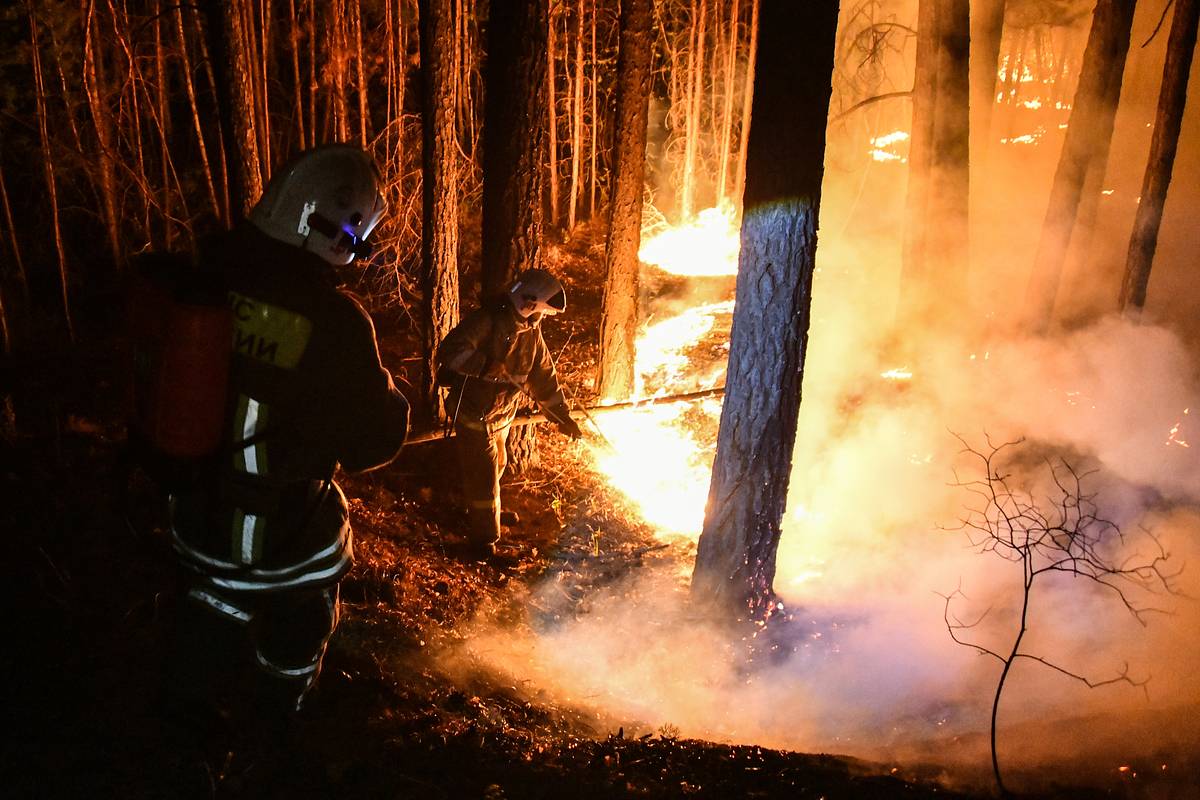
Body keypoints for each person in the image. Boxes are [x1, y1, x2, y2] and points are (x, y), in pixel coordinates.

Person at [164, 144, 409, 728]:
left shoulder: (205, 277)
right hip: (289, 543)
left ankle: (188, 713)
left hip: (194, 515)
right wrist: (395, 398)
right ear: (333, 230)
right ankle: (278, 719)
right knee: (299, 623)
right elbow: (371, 445)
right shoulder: (338, 324)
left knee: (214, 599)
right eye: (359, 239)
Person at [436, 269, 583, 557]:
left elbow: (542, 375)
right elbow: (450, 352)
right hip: (474, 412)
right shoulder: (486, 321)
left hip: (501, 414)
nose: (542, 315)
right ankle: (483, 541)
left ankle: (488, 512)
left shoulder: (531, 329)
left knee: (499, 464)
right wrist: (487, 366)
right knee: (484, 476)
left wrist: (561, 416)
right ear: (528, 301)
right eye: (541, 309)